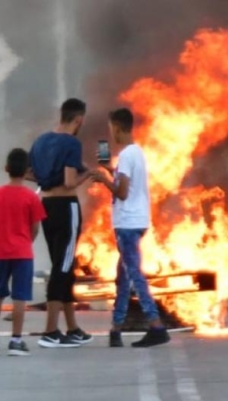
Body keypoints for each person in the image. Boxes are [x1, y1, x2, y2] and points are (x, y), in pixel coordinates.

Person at [90, 108, 169, 348]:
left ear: (118, 127)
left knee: (134, 274)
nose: (111, 134)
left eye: (111, 128)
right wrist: (109, 170)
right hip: (138, 220)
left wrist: (103, 180)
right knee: (123, 277)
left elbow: (122, 192)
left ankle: (156, 326)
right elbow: (127, 183)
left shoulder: (125, 155)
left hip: (127, 223)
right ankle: (116, 329)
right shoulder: (137, 152)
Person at [29, 98, 93, 348]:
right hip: (66, 207)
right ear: (78, 119)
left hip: (46, 206)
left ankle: (73, 327)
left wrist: (45, 181)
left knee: (64, 265)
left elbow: (27, 171)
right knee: (62, 268)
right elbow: (69, 182)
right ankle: (50, 331)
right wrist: (89, 173)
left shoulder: (41, 141)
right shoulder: (71, 143)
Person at [0, 148, 46, 356]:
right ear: (27, 171)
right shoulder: (31, 197)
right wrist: (26, 241)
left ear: (6, 168)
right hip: (23, 253)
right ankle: (15, 340)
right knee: (20, 297)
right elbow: (36, 227)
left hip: (1, 252)